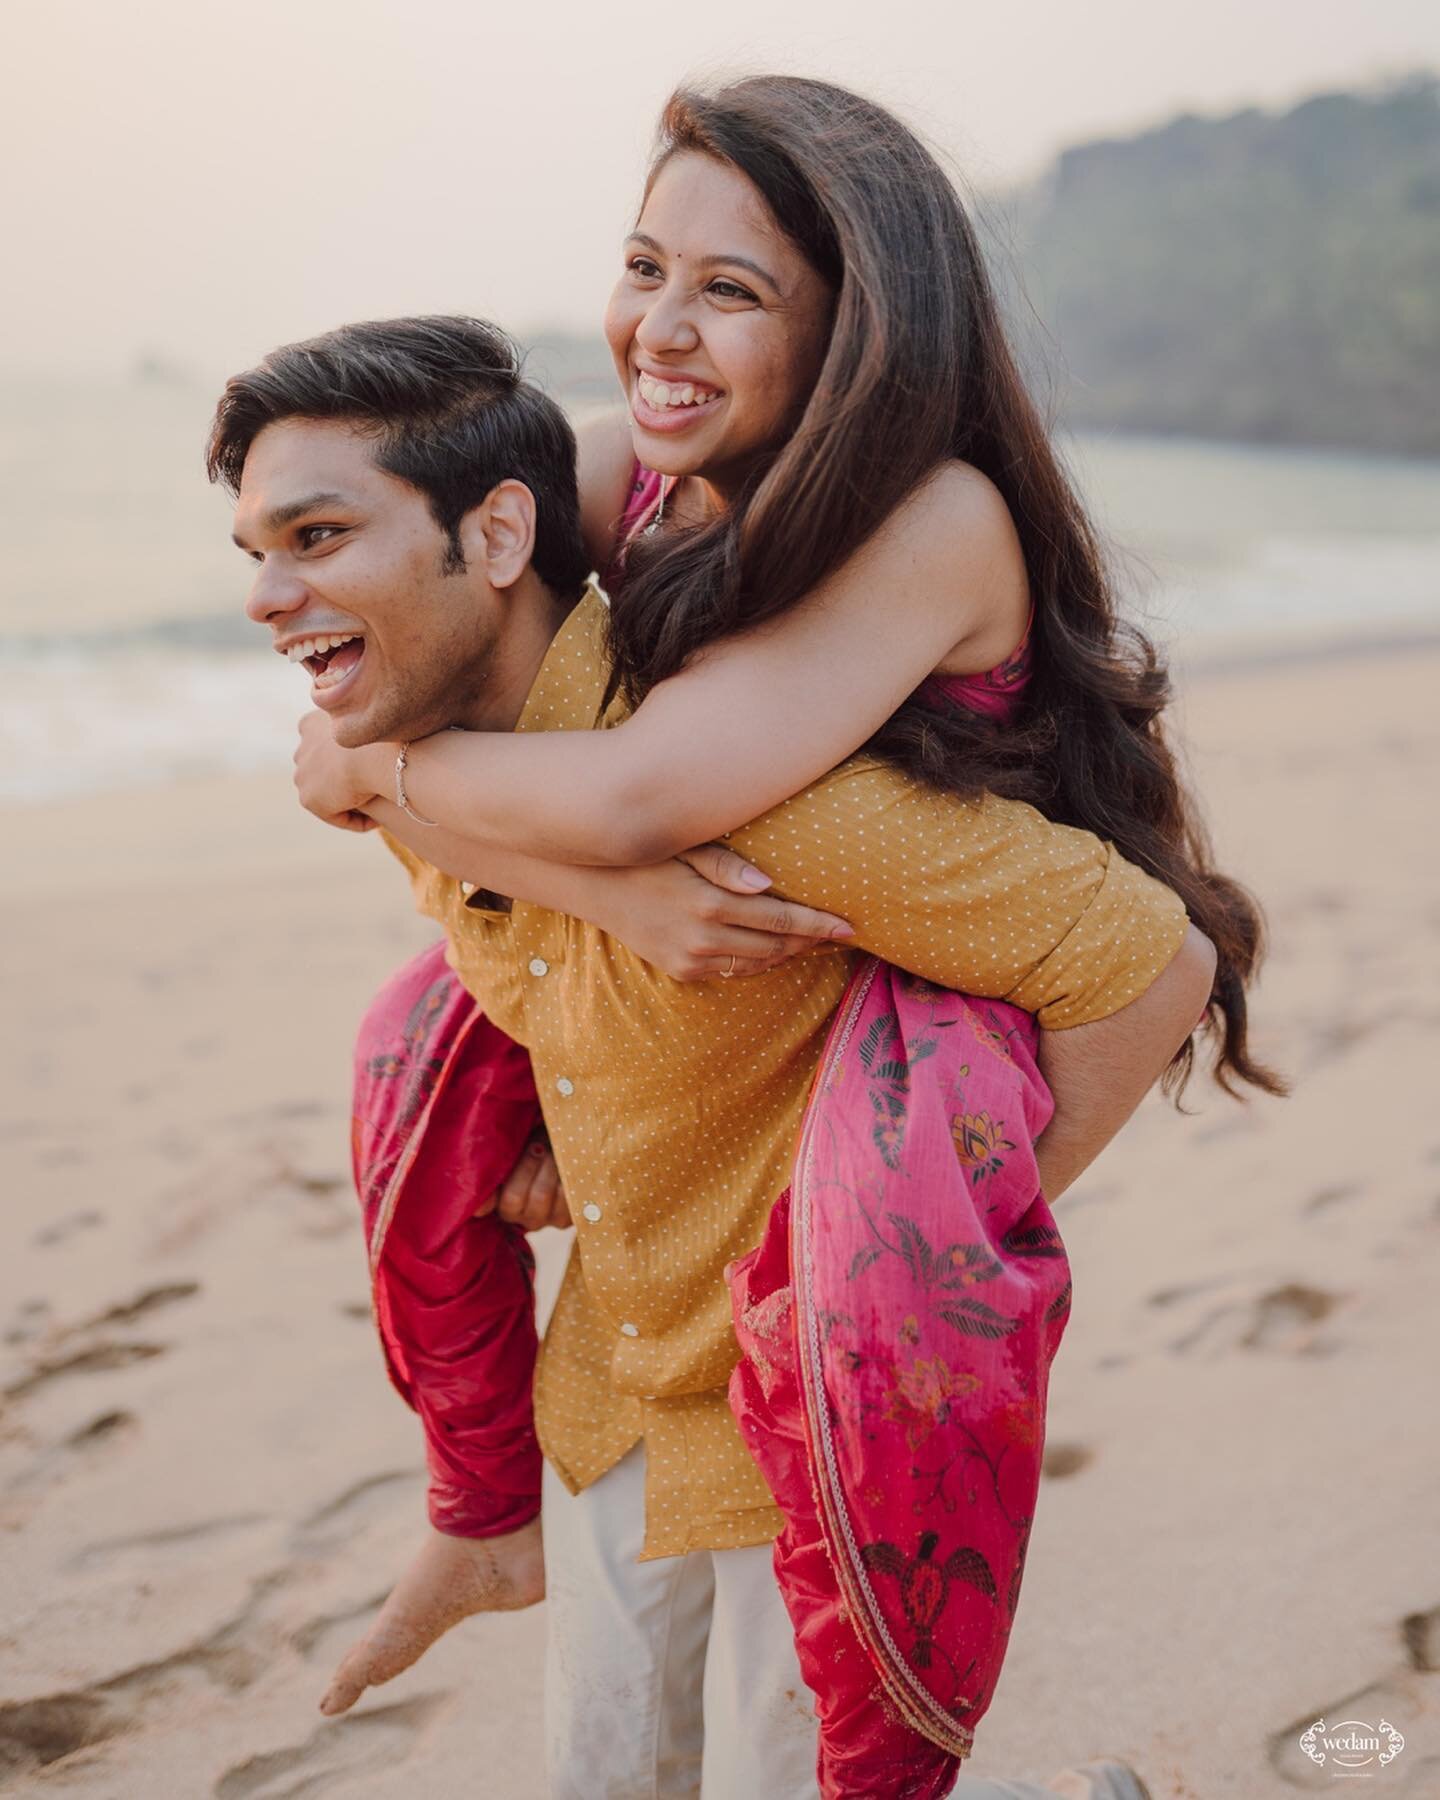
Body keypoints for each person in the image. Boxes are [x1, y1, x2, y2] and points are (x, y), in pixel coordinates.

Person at [212, 300, 1229, 1798]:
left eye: (316, 536)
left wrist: (928, 1249)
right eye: (255, 551)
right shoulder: (403, 757)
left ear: (497, 539)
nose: (264, 596)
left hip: (800, 1431)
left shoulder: (776, 805)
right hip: (608, 1390)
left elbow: (1150, 969)